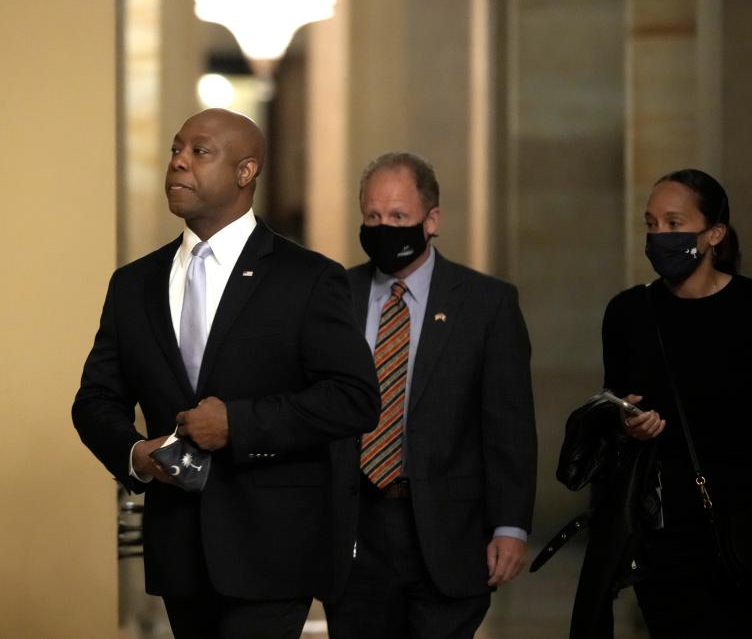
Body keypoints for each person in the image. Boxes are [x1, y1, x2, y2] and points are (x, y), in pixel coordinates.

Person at [72, 108, 380, 639]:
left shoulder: (307, 279)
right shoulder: (133, 284)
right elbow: (96, 398)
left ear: (246, 172)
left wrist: (238, 423)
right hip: (178, 550)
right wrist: (135, 454)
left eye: (199, 151)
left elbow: (354, 399)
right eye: (174, 150)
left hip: (275, 549)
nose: (178, 164)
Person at [324, 152, 537, 639]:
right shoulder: (334, 294)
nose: (384, 228)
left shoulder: (487, 303)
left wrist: (510, 526)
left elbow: (508, 424)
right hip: (356, 531)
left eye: (399, 217)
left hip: (449, 531)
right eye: (373, 217)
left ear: (432, 219)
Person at [586, 168, 750, 637]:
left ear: (714, 233)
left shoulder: (747, 308)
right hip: (664, 533)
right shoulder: (629, 312)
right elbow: (614, 402)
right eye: (651, 224)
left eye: (674, 224)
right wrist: (626, 419)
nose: (659, 236)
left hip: (743, 523)